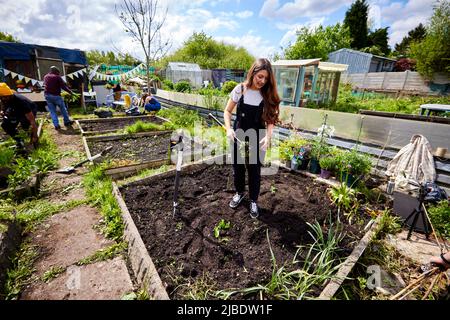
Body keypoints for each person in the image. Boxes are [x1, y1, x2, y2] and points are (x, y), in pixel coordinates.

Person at [223, 58, 280, 219]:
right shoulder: (240, 89)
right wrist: (228, 129)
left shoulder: (267, 94)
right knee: (238, 168)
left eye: (266, 78)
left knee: (254, 170)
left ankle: (253, 200)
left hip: (258, 137)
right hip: (238, 135)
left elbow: (271, 120)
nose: (262, 81)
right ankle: (239, 193)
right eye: (260, 76)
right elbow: (227, 111)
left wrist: (268, 137)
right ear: (252, 72)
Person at [0, 83, 39, 149]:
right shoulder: (5, 97)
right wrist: (2, 110)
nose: (2, 99)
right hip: (15, 110)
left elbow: (32, 121)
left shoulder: (21, 102)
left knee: (26, 126)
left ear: (9, 95)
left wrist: (35, 136)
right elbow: (2, 103)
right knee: (5, 125)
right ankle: (20, 141)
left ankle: (31, 136)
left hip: (30, 109)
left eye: (4, 97)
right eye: (1, 97)